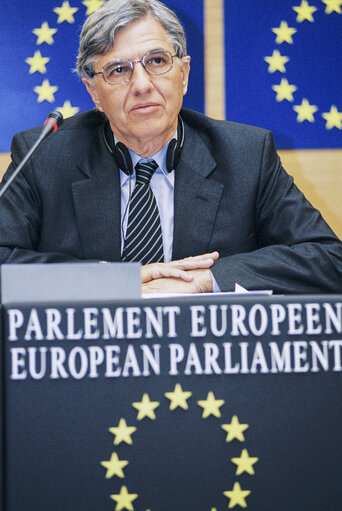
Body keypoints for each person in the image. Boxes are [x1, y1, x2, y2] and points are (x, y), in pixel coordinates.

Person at [0, 0, 341, 294]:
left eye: (157, 61)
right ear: (94, 94)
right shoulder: (43, 155)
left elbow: (329, 260)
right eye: (119, 70)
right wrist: (117, 280)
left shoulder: (246, 155)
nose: (142, 85)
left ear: (184, 73)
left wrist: (206, 280)